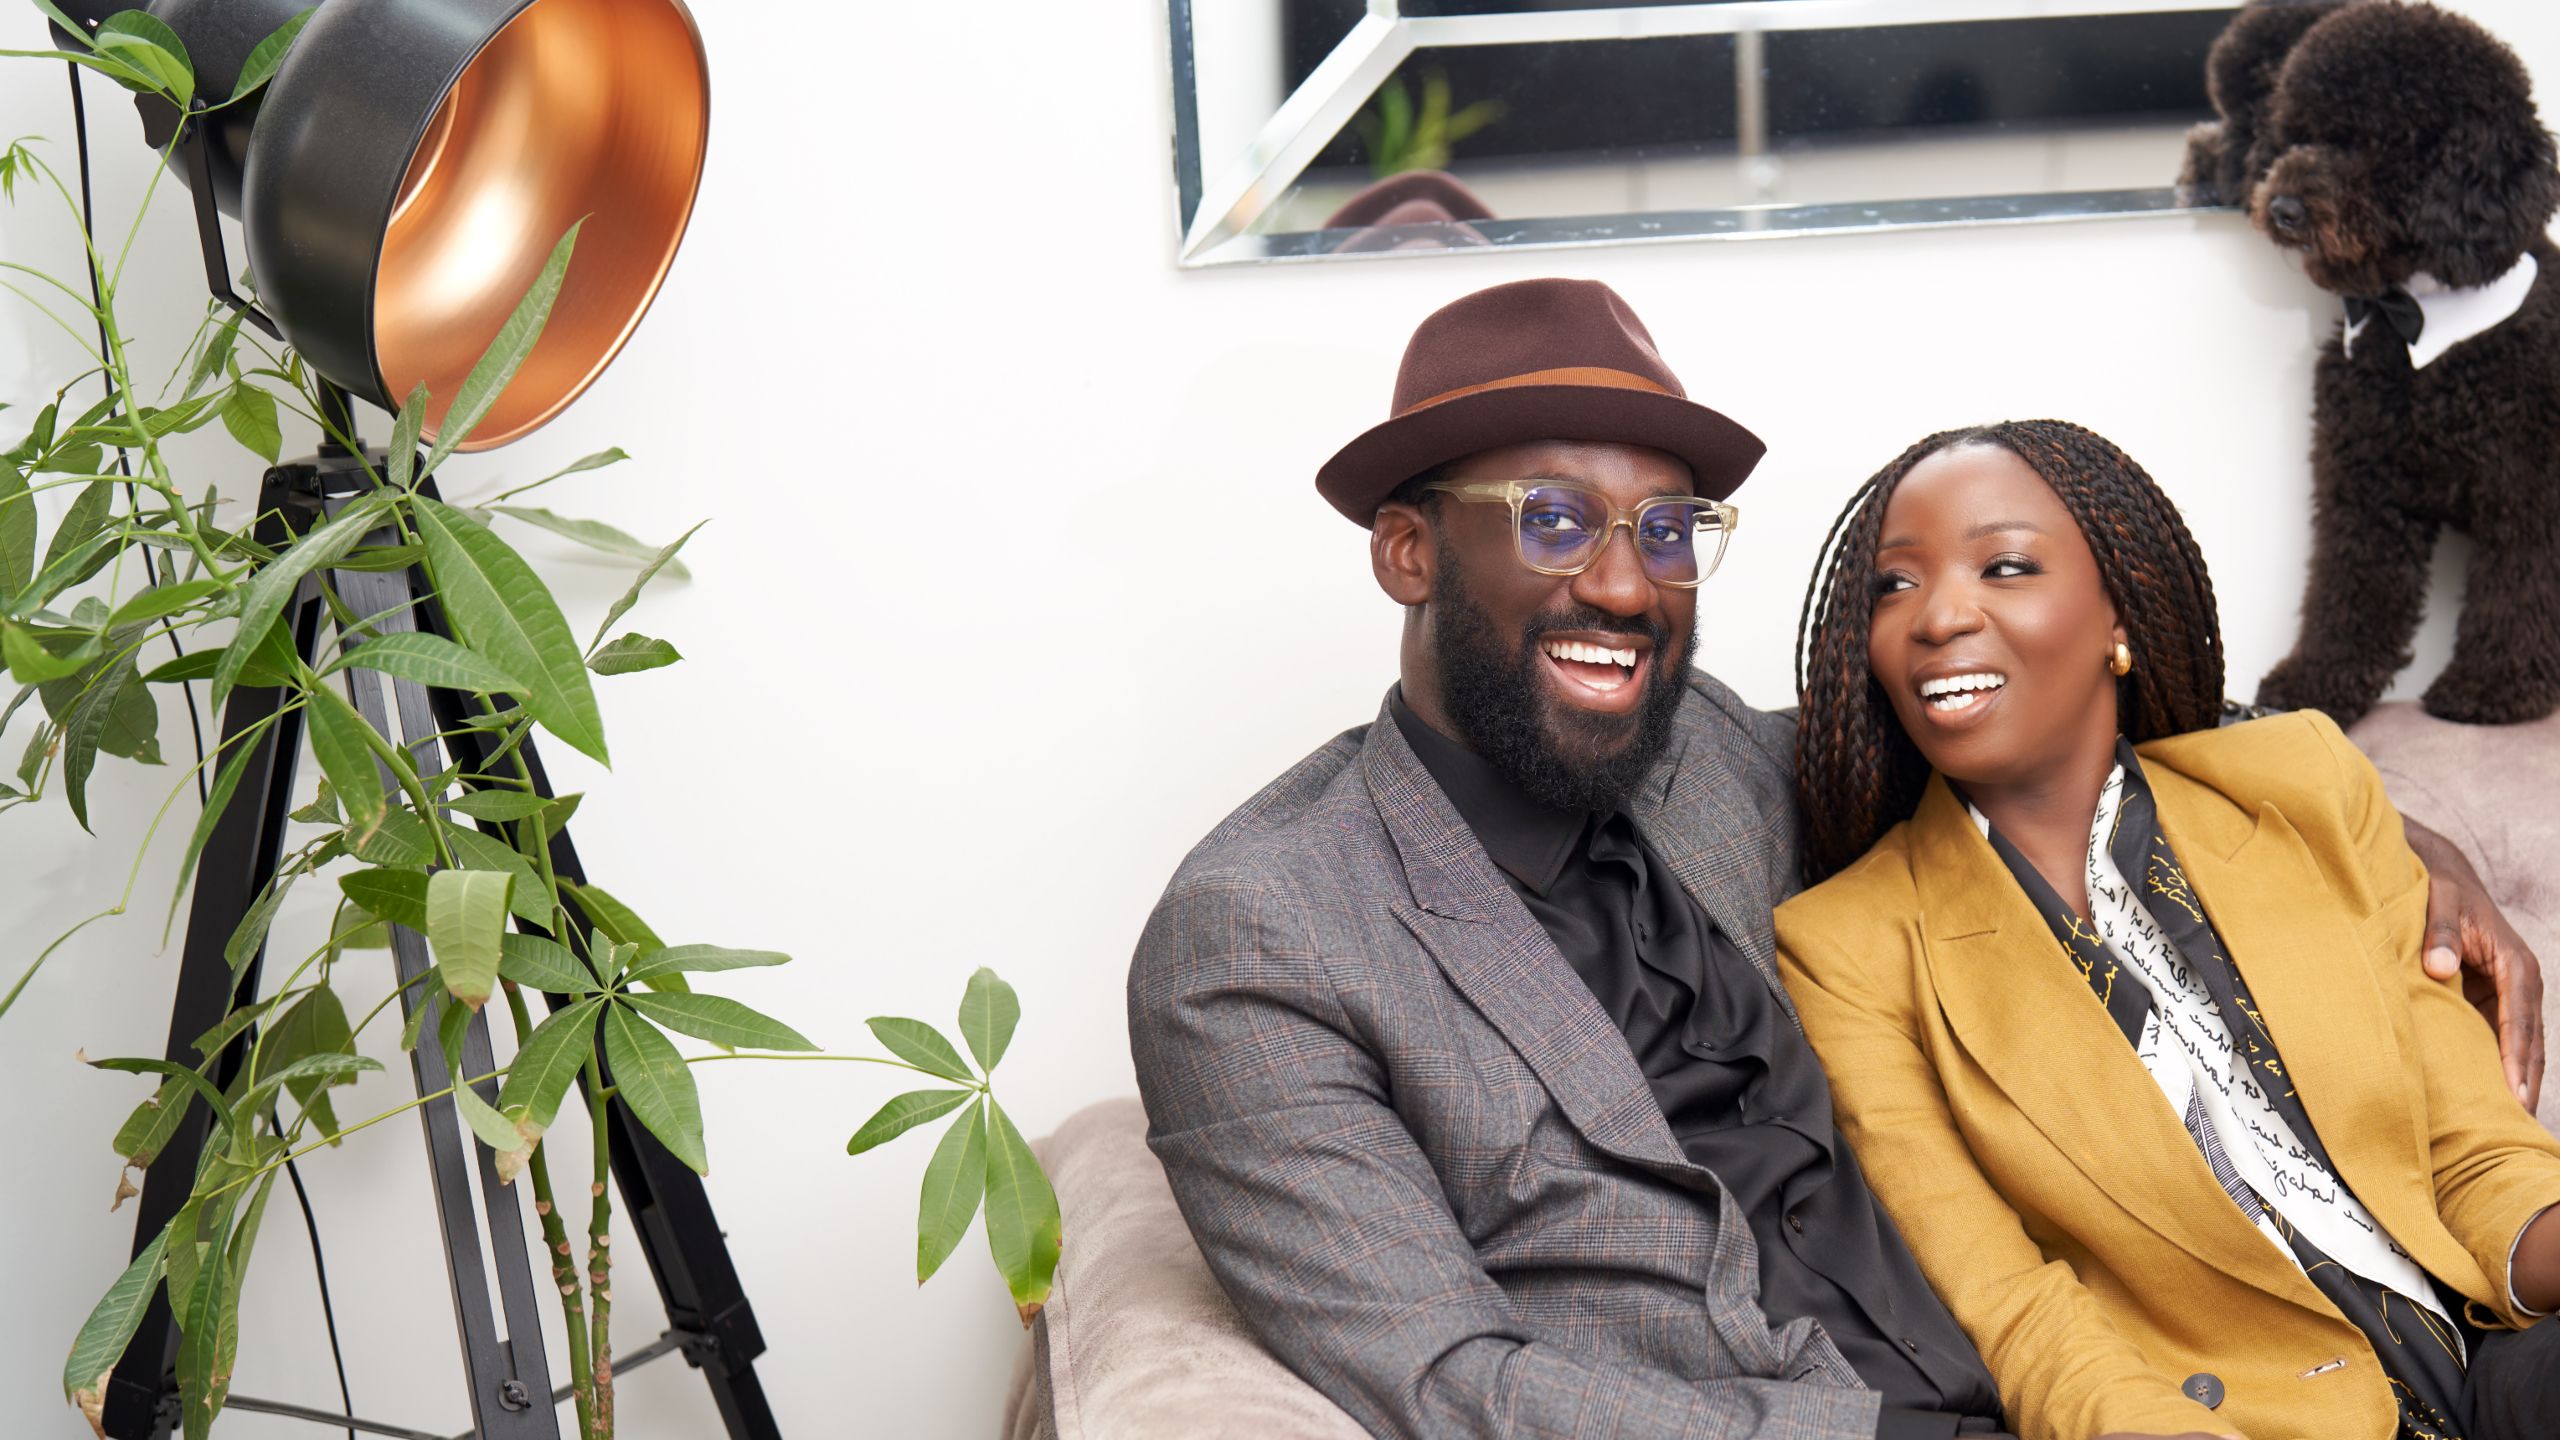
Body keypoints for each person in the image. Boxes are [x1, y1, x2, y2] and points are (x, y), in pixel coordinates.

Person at [1128, 280, 2541, 1440]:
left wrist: (2398, 834)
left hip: (2118, 1378)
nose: (1625, 584)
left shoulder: (1717, 766)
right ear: (1407, 554)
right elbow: (1447, 1381)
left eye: (1669, 531)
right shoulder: (1261, 935)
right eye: (1552, 519)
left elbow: (2033, 703)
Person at [1775, 420, 2560, 1440]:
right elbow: (2016, 1312)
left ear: (2119, 617)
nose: (1937, 615)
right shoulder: (1845, 948)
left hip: (2498, 1354)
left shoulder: (2307, 788)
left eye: (2003, 566)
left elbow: (2471, 1155)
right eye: (1893, 586)